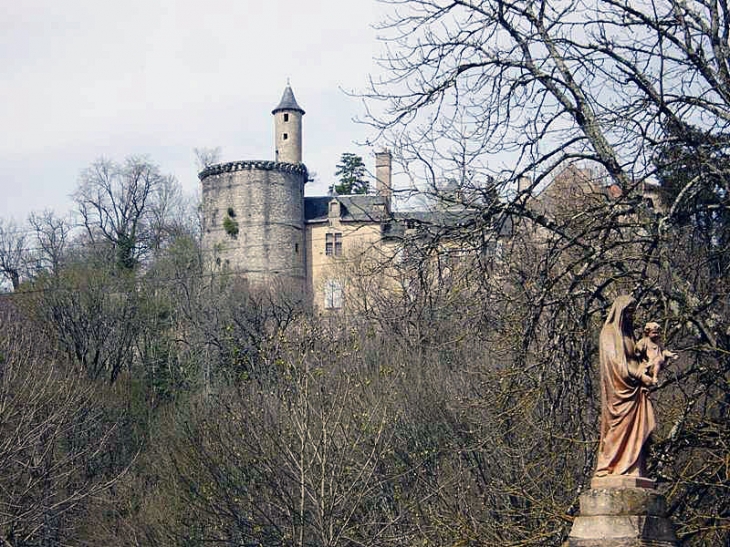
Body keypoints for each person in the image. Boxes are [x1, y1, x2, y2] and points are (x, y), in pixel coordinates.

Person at [595, 295, 656, 478]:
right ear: (619, 312)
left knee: (643, 427)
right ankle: (610, 465)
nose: (631, 316)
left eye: (633, 312)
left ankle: (635, 467)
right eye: (628, 312)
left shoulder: (629, 335)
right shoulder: (609, 333)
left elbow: (636, 359)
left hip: (635, 390)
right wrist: (640, 375)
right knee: (618, 428)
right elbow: (615, 363)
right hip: (620, 391)